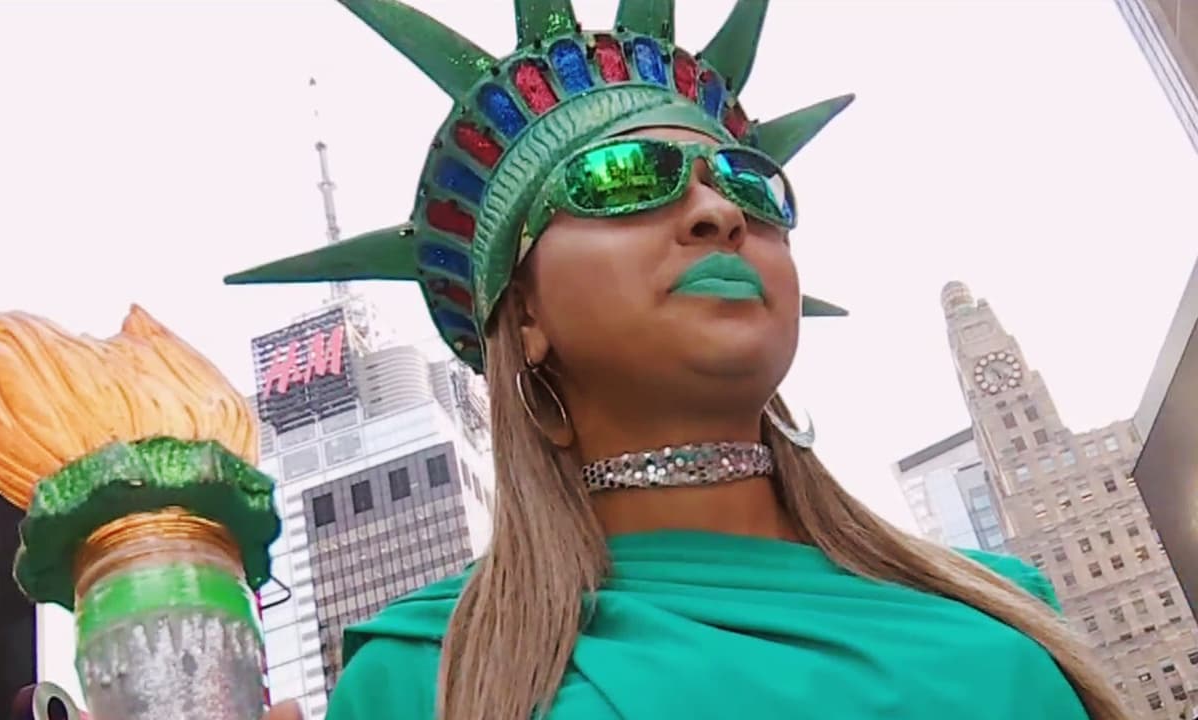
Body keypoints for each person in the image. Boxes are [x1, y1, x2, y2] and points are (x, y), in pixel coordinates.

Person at [232, 1, 1129, 718]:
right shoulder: (426, 680)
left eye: (749, 185)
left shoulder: (1001, 602)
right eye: (624, 175)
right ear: (526, 312)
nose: (719, 213)